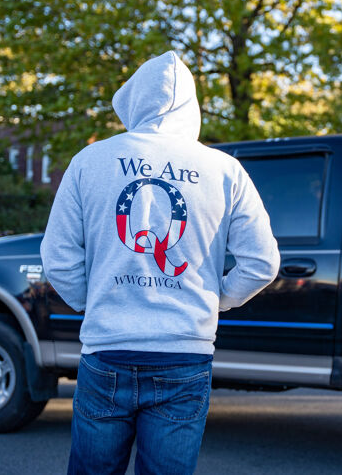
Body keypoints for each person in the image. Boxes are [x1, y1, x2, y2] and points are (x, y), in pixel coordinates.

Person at [40, 51, 280, 475]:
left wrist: (92, 301)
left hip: (106, 352)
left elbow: (57, 257)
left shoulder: (88, 162)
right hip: (184, 356)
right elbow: (262, 262)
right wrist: (215, 299)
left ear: (133, 100)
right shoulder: (225, 170)